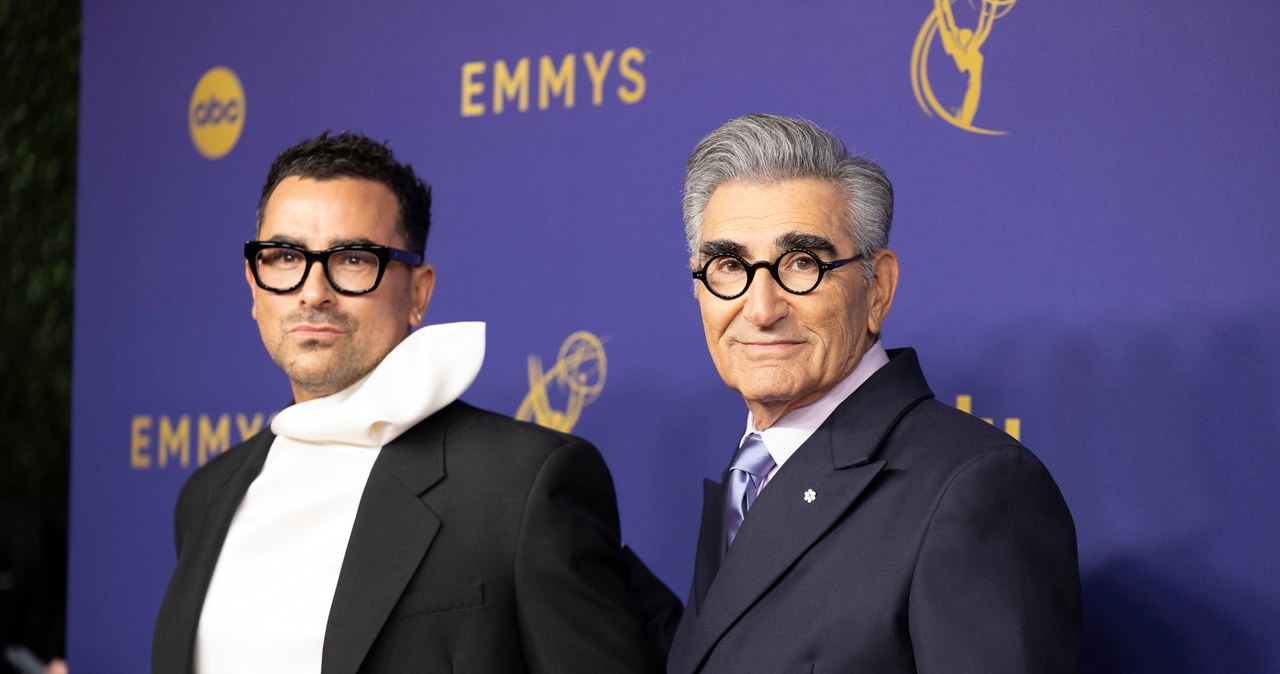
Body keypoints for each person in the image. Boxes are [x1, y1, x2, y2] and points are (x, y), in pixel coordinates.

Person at [152, 131, 673, 673]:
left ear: (418, 292)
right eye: (284, 257)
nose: (312, 291)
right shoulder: (206, 497)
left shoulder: (523, 486)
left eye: (353, 259)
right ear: (253, 286)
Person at [667, 114, 1080, 673]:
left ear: (877, 288)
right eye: (728, 266)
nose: (760, 309)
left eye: (802, 264)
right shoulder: (749, 476)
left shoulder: (975, 489)